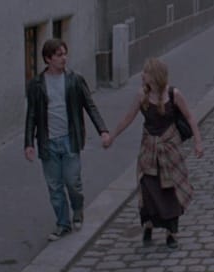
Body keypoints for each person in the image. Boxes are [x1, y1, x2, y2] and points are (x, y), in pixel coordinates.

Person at [104, 58, 204, 249]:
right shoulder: (142, 95)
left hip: (170, 150)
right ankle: (148, 225)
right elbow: (128, 118)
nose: (142, 75)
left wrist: (198, 142)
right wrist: (112, 136)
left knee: (170, 191)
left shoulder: (174, 94)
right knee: (148, 188)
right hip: (149, 150)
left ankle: (171, 233)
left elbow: (190, 117)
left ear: (155, 76)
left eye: (146, 72)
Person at [24, 38, 110, 241]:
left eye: (65, 54)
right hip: (48, 142)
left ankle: (77, 209)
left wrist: (103, 130)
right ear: (48, 59)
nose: (64, 58)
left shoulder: (75, 79)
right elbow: (32, 115)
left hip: (70, 139)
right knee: (54, 187)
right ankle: (63, 223)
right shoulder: (36, 84)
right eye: (59, 55)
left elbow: (90, 106)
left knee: (72, 181)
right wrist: (28, 143)